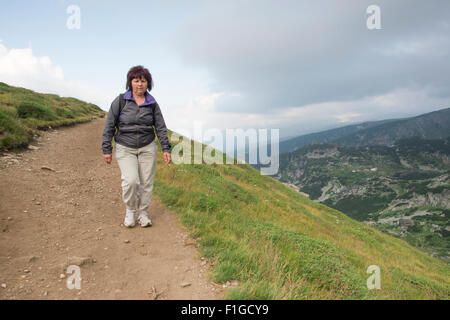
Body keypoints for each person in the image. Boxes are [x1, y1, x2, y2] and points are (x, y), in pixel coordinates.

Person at [101, 65, 171, 228]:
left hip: (148, 147)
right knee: (131, 180)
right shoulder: (120, 101)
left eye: (143, 81)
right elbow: (109, 125)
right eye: (136, 80)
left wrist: (166, 148)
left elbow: (160, 127)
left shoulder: (152, 103)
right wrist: (106, 149)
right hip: (125, 147)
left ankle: (143, 213)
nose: (140, 84)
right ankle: (130, 210)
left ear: (148, 83)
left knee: (146, 182)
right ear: (130, 82)